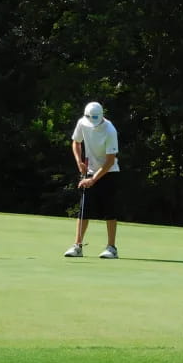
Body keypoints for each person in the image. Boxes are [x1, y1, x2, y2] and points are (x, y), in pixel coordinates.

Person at [63, 101, 121, 259]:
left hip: (109, 172)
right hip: (90, 170)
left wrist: (93, 179)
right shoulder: (82, 123)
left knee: (109, 210)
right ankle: (78, 246)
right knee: (84, 209)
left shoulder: (110, 130)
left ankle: (111, 248)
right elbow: (76, 142)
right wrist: (79, 162)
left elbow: (110, 161)